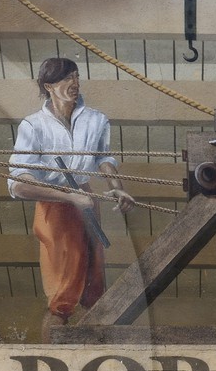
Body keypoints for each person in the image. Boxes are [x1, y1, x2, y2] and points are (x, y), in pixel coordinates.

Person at [8, 57, 136, 338]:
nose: (74, 83)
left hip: (88, 202)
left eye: (76, 76)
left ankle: (95, 357)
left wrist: (116, 184)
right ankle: (50, 356)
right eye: (66, 79)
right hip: (54, 209)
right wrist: (69, 196)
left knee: (94, 289)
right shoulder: (33, 126)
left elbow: (102, 157)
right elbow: (18, 183)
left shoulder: (96, 120)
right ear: (48, 86)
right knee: (62, 299)